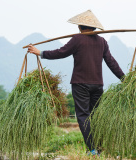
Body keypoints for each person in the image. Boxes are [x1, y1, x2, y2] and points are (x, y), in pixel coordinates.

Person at [28, 10, 125, 155]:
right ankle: (97, 148)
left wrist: (40, 53)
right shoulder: (102, 42)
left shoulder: (77, 39)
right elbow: (111, 62)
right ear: (94, 28)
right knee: (95, 116)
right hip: (98, 85)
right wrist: (124, 79)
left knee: (83, 116)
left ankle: (93, 150)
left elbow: (61, 52)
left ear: (80, 26)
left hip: (80, 84)